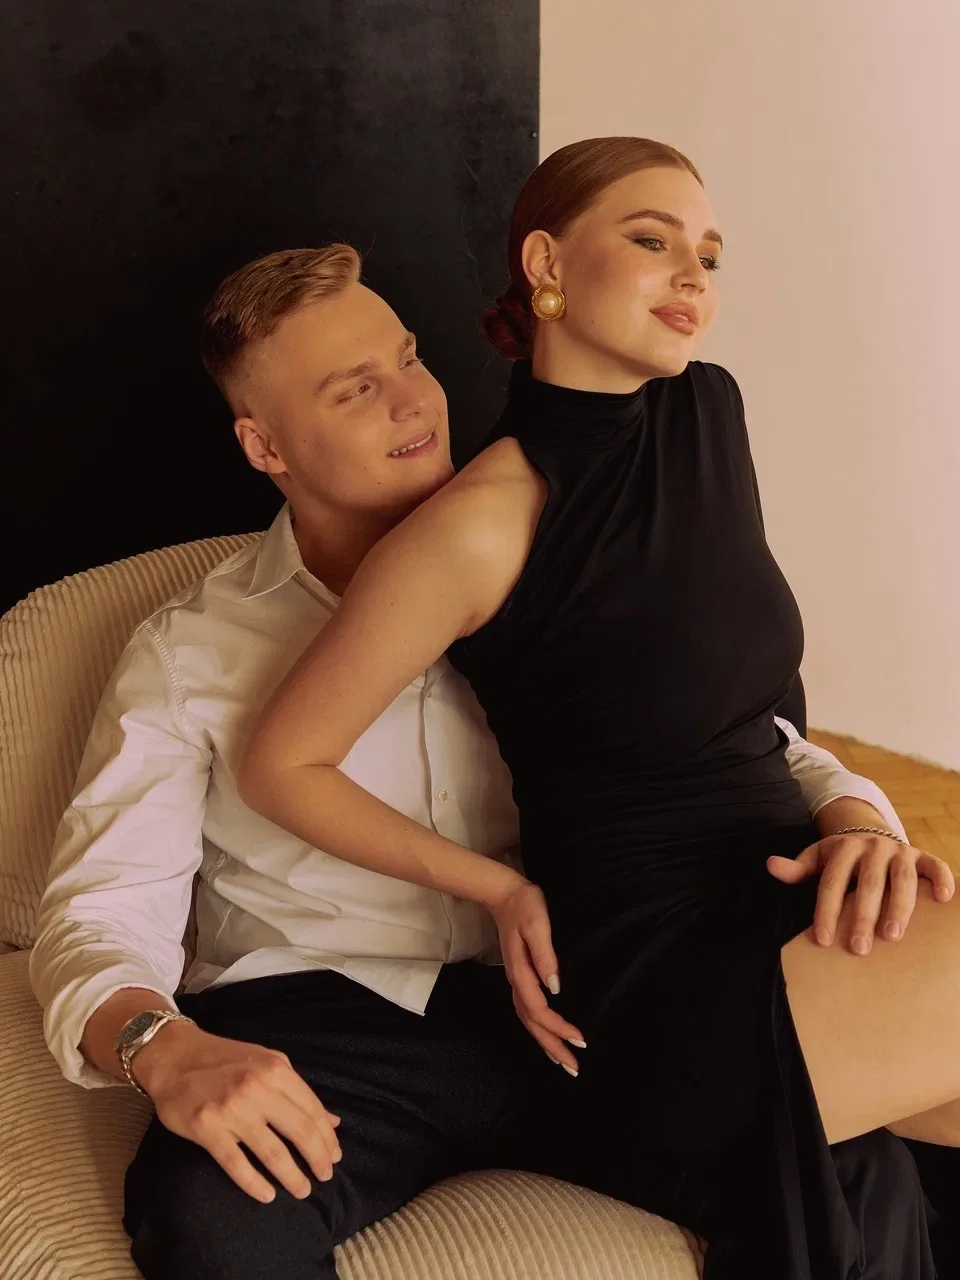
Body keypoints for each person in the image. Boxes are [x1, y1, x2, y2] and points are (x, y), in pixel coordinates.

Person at [235, 142, 960, 1279]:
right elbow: (283, 763)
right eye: (653, 240)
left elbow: (748, 708)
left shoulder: (708, 411)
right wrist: (495, 887)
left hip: (783, 895)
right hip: (659, 974)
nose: (693, 274)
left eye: (710, 253)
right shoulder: (480, 521)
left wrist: (855, 819)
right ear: (546, 264)